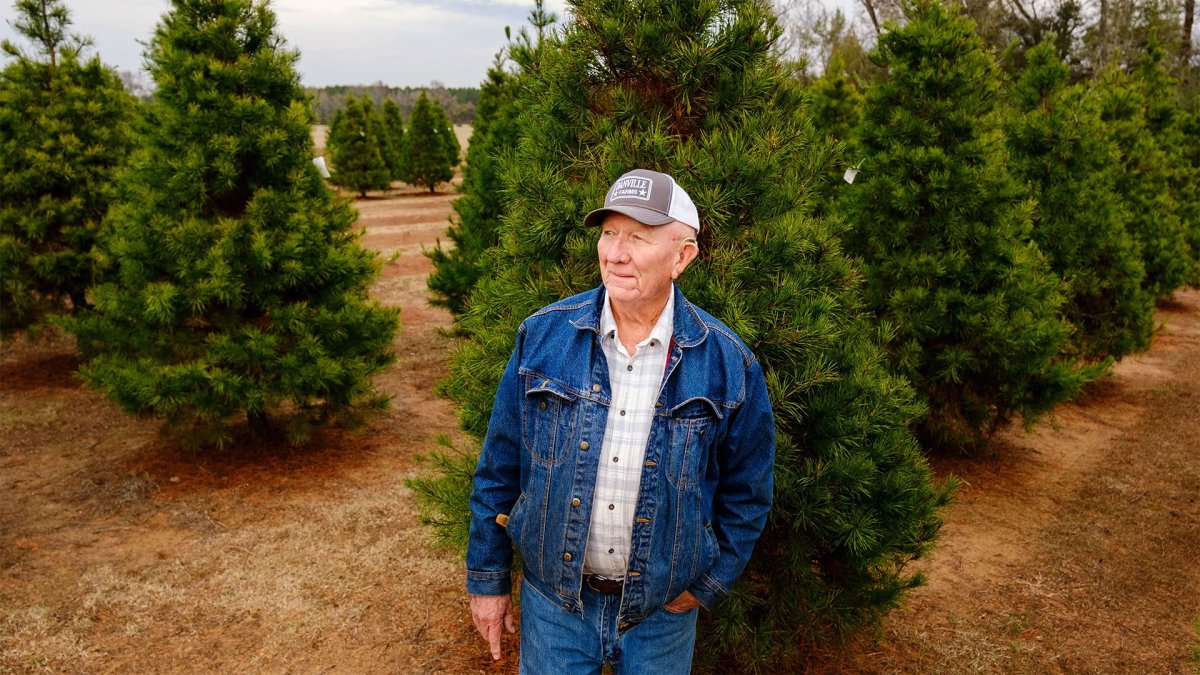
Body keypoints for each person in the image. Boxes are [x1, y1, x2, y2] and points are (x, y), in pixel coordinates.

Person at [466, 169, 776, 674]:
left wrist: (705, 587)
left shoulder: (727, 365)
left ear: (683, 256)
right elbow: (498, 469)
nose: (615, 252)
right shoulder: (542, 338)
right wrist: (487, 580)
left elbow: (748, 493)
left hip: (661, 617)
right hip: (554, 609)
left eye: (638, 236)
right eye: (609, 233)